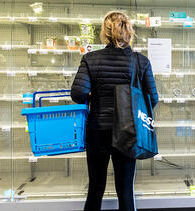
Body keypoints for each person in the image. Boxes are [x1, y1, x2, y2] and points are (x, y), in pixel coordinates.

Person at [71, 11, 159, 211]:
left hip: (98, 130)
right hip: (128, 132)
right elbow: (153, 98)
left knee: (95, 188)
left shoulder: (91, 59)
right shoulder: (141, 61)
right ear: (129, 32)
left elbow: (78, 93)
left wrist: (94, 95)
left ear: (105, 33)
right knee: (125, 190)